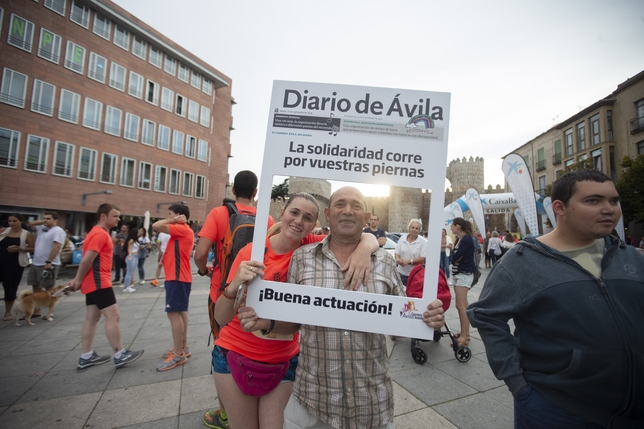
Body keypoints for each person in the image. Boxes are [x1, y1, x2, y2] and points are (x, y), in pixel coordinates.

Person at [467, 169, 644, 428]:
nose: (609, 209)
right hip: (556, 408)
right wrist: (519, 386)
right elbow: (486, 315)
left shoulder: (632, 258)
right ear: (559, 207)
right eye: (593, 201)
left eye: (613, 201)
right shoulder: (523, 262)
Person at [284, 186, 446, 429]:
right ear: (327, 214)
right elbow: (292, 321)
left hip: (371, 404)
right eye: (340, 204)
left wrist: (427, 318)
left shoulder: (385, 262)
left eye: (356, 206)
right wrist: (262, 320)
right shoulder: (301, 259)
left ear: (367, 215)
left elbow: (402, 323)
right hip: (312, 402)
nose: (348, 211)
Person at [195, 170, 274, 429]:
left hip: (223, 293)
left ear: (233, 191)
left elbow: (201, 252)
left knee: (223, 350)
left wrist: (204, 269)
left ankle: (226, 414)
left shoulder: (219, 214)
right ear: (255, 193)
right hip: (257, 296)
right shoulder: (268, 218)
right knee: (253, 347)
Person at [68, 204, 144, 370]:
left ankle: (86, 355)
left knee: (92, 318)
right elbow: (87, 260)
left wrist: (78, 280)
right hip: (99, 282)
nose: (118, 219)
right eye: (115, 216)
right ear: (103, 216)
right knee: (113, 316)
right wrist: (78, 280)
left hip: (93, 282)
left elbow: (87, 260)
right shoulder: (100, 234)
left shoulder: (95, 233)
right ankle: (119, 353)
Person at [152, 204, 194, 371]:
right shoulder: (183, 231)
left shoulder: (182, 228)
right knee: (180, 312)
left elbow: (156, 226)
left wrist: (172, 220)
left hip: (177, 278)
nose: (167, 217)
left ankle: (178, 354)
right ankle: (183, 347)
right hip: (179, 277)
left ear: (178, 216)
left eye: (170, 214)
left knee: (174, 314)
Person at [27, 212, 66, 318]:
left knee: (49, 288)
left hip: (48, 263)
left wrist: (49, 261)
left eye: (48, 218)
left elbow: (57, 247)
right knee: (35, 287)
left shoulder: (58, 231)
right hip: (36, 262)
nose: (45, 220)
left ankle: (50, 312)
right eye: (44, 218)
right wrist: (43, 221)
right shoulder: (41, 228)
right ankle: (36, 310)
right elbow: (31, 223)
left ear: (56, 220)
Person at [0, 214, 35, 321]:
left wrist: (21, 248)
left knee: (10, 288)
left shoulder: (26, 234)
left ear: (20, 221)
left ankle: (7, 313)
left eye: (14, 221)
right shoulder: (3, 231)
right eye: (10, 221)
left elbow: (33, 248)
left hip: (15, 264)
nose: (12, 223)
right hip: (1, 261)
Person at [449, 217, 476, 347]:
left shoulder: (465, 239)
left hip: (463, 274)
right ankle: (465, 333)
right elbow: (455, 257)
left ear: (458, 226)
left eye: (452, 226)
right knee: (463, 305)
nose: (451, 228)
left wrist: (454, 257)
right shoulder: (459, 239)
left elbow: (455, 256)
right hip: (459, 273)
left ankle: (464, 337)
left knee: (460, 305)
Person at [394, 218, 427, 286]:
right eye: (412, 227)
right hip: (401, 272)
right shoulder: (402, 238)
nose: (414, 230)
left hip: (415, 273)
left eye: (416, 228)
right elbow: (397, 252)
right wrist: (398, 259)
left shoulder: (423, 242)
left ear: (419, 230)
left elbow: (422, 258)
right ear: (409, 228)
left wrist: (409, 261)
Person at [122, 228, 140, 293]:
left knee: (131, 272)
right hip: (132, 256)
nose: (139, 234)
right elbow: (129, 248)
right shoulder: (131, 240)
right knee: (129, 272)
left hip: (135, 256)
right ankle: (126, 286)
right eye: (137, 233)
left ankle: (128, 285)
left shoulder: (136, 240)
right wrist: (130, 255)